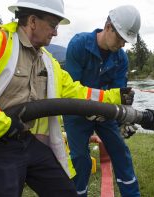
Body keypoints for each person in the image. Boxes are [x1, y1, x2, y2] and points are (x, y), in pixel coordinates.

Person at [0, 0, 135, 196]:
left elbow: (76, 92)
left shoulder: (48, 61)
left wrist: (116, 96)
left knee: (64, 191)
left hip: (28, 140)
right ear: (33, 21)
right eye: (53, 25)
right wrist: (1, 124)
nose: (55, 33)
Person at [63, 5, 141, 197]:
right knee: (80, 158)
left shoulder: (121, 59)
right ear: (108, 26)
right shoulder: (79, 45)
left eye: (126, 40)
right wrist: (88, 107)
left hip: (105, 114)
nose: (123, 44)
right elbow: (70, 86)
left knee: (120, 151)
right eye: (120, 38)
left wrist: (124, 119)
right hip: (75, 112)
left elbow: (119, 93)